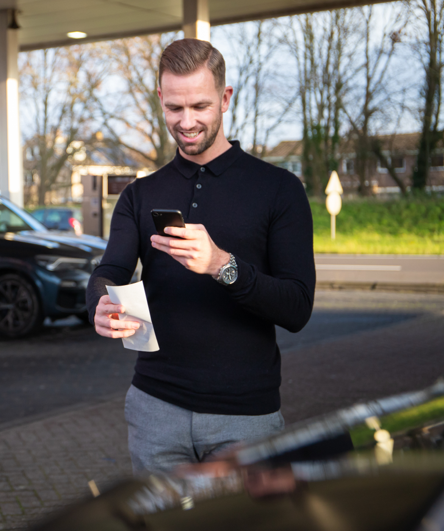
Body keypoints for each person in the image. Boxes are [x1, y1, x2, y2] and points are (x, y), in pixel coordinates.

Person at [86, 39, 315, 474]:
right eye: (174, 108)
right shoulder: (140, 194)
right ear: (160, 98)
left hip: (244, 420)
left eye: (200, 106)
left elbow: (298, 308)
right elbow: (109, 271)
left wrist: (221, 266)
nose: (186, 122)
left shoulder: (279, 189)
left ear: (225, 98)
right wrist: (99, 303)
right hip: (154, 408)